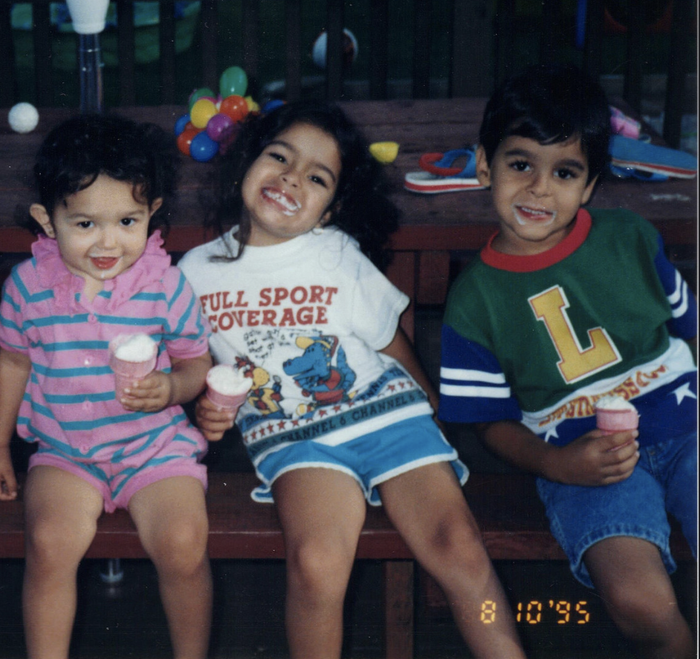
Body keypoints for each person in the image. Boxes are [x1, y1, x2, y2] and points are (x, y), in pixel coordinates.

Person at [178, 101, 526, 659]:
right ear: (247, 161)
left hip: (389, 416)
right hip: (295, 437)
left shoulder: (337, 254)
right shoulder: (194, 273)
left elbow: (390, 341)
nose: (292, 178)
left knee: (459, 547)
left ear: (330, 209)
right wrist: (205, 406)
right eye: (279, 157)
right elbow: (192, 366)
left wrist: (431, 405)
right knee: (316, 562)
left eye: (317, 177)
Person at [438, 63, 697, 659]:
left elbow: (691, 325)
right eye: (520, 164)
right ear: (484, 165)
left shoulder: (632, 237)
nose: (539, 188)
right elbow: (487, 423)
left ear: (590, 185)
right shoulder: (473, 301)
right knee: (642, 604)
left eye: (565, 171)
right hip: (584, 460)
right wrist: (557, 464)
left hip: (689, 429)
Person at [0, 113, 213, 659]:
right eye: (85, 223)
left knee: (183, 543)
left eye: (127, 221)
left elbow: (196, 362)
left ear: (151, 213)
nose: (109, 242)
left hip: (154, 449)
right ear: (47, 220)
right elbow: (12, 363)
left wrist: (172, 388)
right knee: (48, 544)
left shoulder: (167, 285)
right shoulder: (27, 287)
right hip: (65, 452)